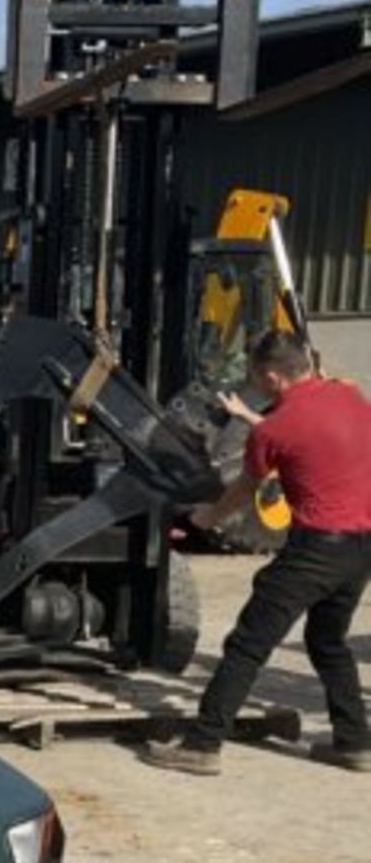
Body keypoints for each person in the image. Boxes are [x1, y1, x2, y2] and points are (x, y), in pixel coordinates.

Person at [143, 330, 371, 775]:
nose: (254, 384)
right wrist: (251, 417)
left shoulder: (274, 430)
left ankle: (202, 744)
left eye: (255, 377)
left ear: (271, 376)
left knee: (247, 644)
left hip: (315, 547)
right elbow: (311, 423)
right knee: (328, 642)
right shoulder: (351, 397)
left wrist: (206, 518)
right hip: (361, 548)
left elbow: (245, 490)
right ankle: (355, 741)